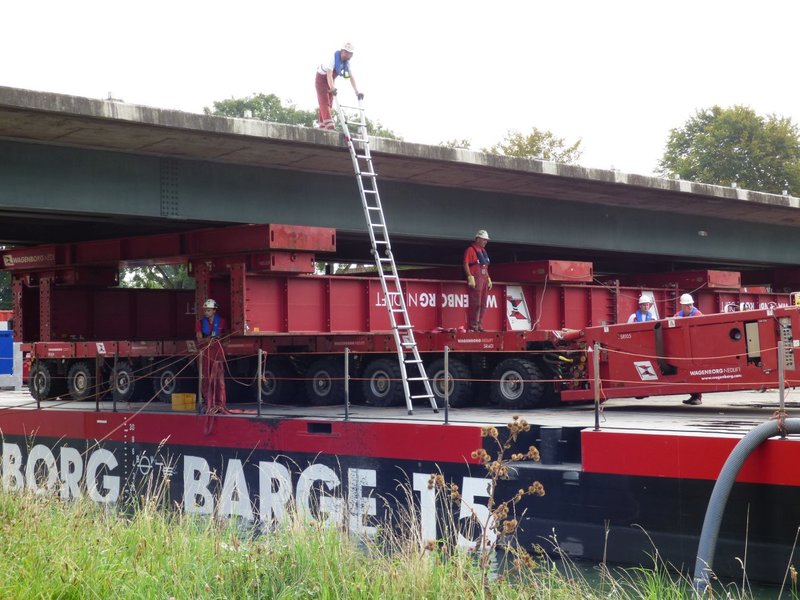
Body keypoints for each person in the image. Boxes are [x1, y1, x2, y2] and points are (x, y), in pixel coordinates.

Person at [315, 42, 363, 130]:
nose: (346, 54)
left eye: (349, 53)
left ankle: (322, 124)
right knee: (324, 100)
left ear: (351, 55)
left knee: (330, 101)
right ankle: (329, 123)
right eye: (345, 52)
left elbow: (351, 77)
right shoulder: (333, 59)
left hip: (331, 80)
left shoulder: (346, 64)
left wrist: (357, 91)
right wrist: (332, 88)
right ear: (342, 51)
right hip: (321, 78)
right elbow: (329, 74)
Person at [195, 299, 227, 414]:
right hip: (205, 351)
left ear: (214, 310)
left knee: (219, 378)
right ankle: (208, 404)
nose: (206, 313)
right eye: (205, 310)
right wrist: (207, 339)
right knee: (206, 378)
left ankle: (220, 404)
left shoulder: (222, 321)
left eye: (208, 310)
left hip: (217, 351)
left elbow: (225, 336)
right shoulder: (200, 322)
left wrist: (222, 342)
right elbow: (199, 339)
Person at [674, 293, 704, 405]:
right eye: (687, 305)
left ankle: (698, 396)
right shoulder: (677, 315)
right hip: (684, 349)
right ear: (682, 306)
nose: (690, 307)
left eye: (691, 304)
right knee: (687, 374)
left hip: (696, 349)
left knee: (696, 373)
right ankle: (693, 395)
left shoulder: (698, 314)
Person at [463, 230, 492, 332]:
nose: (486, 242)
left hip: (483, 279)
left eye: (486, 240)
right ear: (478, 239)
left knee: (483, 304)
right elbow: (465, 263)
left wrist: (488, 278)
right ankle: (473, 326)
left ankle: (479, 325)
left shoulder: (483, 252)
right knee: (476, 303)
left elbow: (484, 266)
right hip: (476, 279)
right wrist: (469, 276)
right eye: (484, 240)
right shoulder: (471, 250)